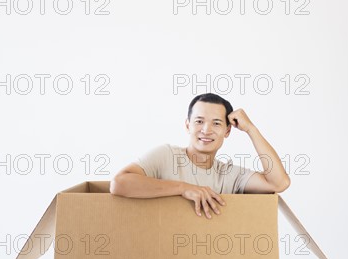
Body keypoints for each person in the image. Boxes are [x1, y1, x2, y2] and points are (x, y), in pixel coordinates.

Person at [110, 93, 290, 219]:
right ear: (187, 125)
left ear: (227, 131)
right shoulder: (166, 156)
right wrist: (183, 188)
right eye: (199, 121)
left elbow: (278, 183)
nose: (206, 130)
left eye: (216, 123)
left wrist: (251, 129)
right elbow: (119, 183)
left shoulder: (229, 175)